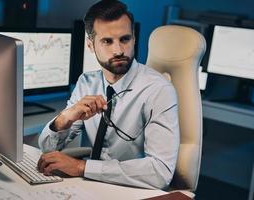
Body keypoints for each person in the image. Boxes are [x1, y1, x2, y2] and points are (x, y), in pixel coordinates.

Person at [37, 0, 179, 189]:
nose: (119, 50)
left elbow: (160, 172)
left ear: (134, 38)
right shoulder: (87, 82)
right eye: (107, 41)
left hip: (131, 189)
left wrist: (82, 167)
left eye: (125, 39)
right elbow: (48, 150)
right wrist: (65, 118)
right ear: (90, 45)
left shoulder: (158, 90)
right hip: (91, 185)